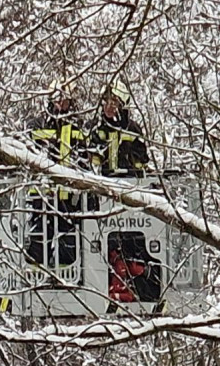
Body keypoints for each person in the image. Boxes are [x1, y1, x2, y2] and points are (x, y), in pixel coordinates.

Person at [28, 90, 87, 270]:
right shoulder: (37, 126)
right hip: (42, 193)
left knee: (68, 240)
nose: (61, 103)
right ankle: (36, 273)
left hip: (69, 195)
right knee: (38, 238)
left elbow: (86, 159)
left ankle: (64, 274)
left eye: (64, 100)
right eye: (57, 99)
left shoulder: (79, 127)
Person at [91, 81, 149, 175]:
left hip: (128, 185)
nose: (109, 106)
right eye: (107, 100)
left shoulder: (132, 130)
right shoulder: (95, 128)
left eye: (114, 101)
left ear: (122, 106)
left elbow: (141, 163)